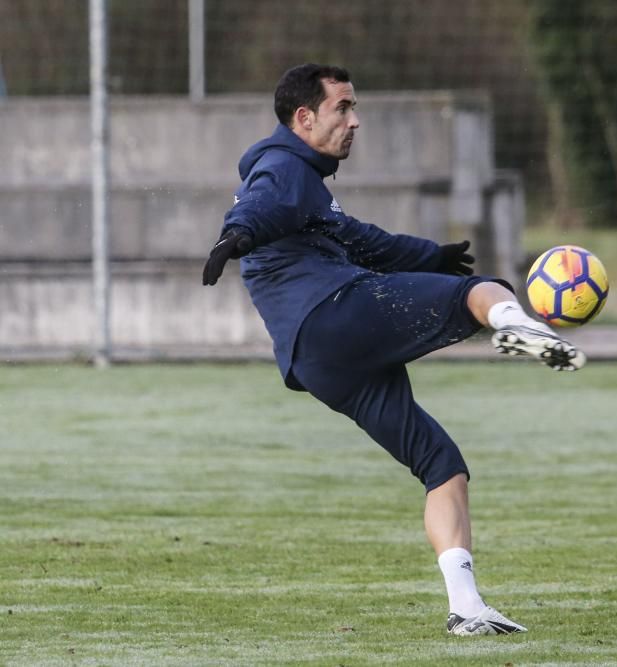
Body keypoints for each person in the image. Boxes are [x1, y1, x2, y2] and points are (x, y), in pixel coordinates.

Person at [201, 64, 586, 636]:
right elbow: (264, 207)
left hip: (317, 360)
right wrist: (235, 235)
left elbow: (363, 240)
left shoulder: (309, 184)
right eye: (343, 108)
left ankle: (467, 608)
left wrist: (430, 255)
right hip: (334, 313)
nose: (355, 121)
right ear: (303, 118)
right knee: (482, 293)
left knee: (442, 466)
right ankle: (523, 328)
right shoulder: (282, 165)